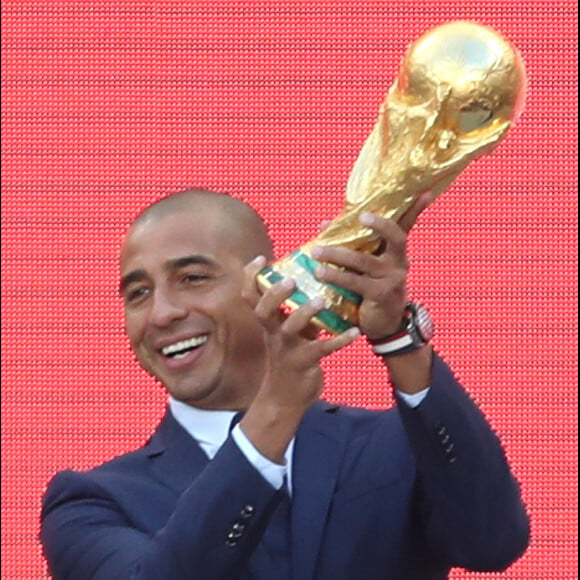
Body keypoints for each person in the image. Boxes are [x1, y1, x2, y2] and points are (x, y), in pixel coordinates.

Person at [40, 188, 530, 580]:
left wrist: (398, 340)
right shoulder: (91, 501)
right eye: (138, 293)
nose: (162, 313)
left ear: (267, 281)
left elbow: (492, 542)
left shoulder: (393, 446)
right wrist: (275, 409)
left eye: (192, 278)